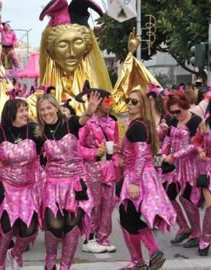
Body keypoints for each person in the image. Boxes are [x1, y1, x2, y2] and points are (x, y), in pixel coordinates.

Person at [35, 91, 101, 270]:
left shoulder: (70, 123)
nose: (46, 112)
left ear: (56, 108)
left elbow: (83, 119)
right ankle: (50, 264)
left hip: (75, 184)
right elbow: (33, 157)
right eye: (42, 109)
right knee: (54, 225)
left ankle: (65, 266)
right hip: (52, 185)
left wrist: (90, 110)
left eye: (49, 108)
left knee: (71, 225)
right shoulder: (39, 133)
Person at [118, 90, 176, 270]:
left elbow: (142, 156)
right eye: (128, 100)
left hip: (137, 177)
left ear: (142, 104)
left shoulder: (138, 126)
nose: (129, 104)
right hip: (141, 175)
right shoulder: (143, 125)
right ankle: (141, 259)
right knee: (129, 218)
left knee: (128, 218)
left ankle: (148, 255)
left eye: (134, 101)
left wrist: (134, 182)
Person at [0, 98, 43, 270]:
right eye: (21, 110)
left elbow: (47, 151)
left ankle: (15, 254)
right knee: (6, 229)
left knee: (29, 230)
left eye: (26, 110)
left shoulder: (34, 130)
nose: (25, 114)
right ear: (10, 113)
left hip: (28, 188)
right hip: (6, 188)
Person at [38, 0, 112, 115]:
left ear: (86, 48)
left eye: (78, 43)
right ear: (52, 52)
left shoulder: (97, 94)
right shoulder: (37, 102)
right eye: (63, 45)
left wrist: (131, 55)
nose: (71, 53)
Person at [77, 88, 119, 253]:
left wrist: (115, 152)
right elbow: (76, 147)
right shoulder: (87, 122)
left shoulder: (113, 122)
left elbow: (114, 145)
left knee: (108, 205)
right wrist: (93, 153)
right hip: (91, 169)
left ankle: (103, 238)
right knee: (93, 205)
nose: (111, 104)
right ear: (99, 103)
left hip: (108, 168)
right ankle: (89, 238)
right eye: (108, 101)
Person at [162, 93, 203, 248]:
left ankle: (197, 234)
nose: (175, 115)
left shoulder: (196, 121)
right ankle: (184, 227)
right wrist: (162, 154)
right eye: (172, 112)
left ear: (186, 106)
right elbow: (168, 138)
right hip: (174, 167)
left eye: (178, 111)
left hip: (190, 167)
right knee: (168, 196)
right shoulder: (173, 120)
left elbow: (195, 145)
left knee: (187, 198)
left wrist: (174, 155)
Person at [193, 103, 211, 256]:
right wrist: (200, 150)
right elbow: (196, 141)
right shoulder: (205, 123)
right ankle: (205, 240)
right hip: (207, 170)